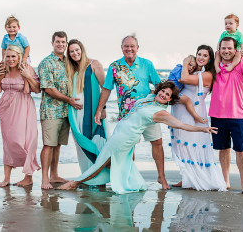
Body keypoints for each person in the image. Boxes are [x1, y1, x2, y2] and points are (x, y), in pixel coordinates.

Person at [58, 81, 218, 194]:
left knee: (103, 160)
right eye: (162, 91)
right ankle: (132, 183)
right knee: (114, 162)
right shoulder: (149, 98)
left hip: (126, 138)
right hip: (120, 133)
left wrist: (203, 129)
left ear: (170, 99)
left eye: (167, 94)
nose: (163, 94)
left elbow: (181, 125)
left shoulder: (161, 113)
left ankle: (74, 183)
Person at [93, 33, 170, 190]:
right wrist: (99, 110)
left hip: (148, 113)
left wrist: (161, 104)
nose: (129, 49)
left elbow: (159, 87)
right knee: (128, 148)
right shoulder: (114, 67)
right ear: (122, 48)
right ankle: (128, 178)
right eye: (126, 46)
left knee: (157, 143)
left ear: (137, 48)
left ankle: (161, 177)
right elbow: (106, 89)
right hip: (127, 115)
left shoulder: (147, 64)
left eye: (132, 46)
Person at [169, 45, 226, 191]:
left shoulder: (207, 75)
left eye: (205, 55)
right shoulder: (198, 72)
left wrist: (185, 61)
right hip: (181, 110)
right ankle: (187, 177)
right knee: (181, 144)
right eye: (199, 54)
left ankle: (195, 178)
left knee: (192, 143)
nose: (201, 57)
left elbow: (183, 78)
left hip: (193, 112)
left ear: (209, 59)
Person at [209, 37, 243, 194]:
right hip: (217, 114)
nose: (226, 51)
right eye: (223, 48)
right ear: (219, 49)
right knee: (223, 149)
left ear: (235, 49)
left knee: (241, 149)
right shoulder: (214, 66)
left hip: (238, 114)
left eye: (229, 48)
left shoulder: (242, 63)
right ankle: (225, 181)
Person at [38, 31, 83, 189]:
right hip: (51, 110)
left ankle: (54, 175)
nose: (61, 45)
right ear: (52, 43)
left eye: (63, 42)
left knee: (57, 145)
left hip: (66, 111)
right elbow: (48, 88)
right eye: (58, 42)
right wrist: (68, 100)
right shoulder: (46, 63)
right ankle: (44, 179)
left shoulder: (68, 62)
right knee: (48, 145)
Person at [0, 45, 41, 187]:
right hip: (6, 108)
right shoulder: (3, 69)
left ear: (19, 57)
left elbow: (37, 90)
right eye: (8, 56)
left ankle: (28, 177)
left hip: (24, 107)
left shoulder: (27, 69)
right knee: (8, 142)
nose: (10, 59)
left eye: (13, 56)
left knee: (24, 141)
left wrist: (28, 76)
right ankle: (6, 178)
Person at [65, 39, 109, 176]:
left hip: (93, 111)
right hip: (76, 112)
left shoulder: (94, 64)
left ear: (82, 49)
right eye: (71, 51)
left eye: (77, 50)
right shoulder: (71, 68)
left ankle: (100, 176)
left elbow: (105, 87)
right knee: (80, 143)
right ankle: (87, 175)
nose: (75, 53)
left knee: (97, 142)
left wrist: (103, 109)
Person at [168, 55, 209, 124]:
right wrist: (185, 63)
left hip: (174, 92)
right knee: (187, 100)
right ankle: (196, 117)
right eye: (190, 65)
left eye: (193, 68)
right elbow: (181, 80)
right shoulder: (179, 68)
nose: (191, 68)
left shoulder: (184, 72)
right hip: (170, 91)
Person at [1, 15, 31, 93]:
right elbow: (3, 49)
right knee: (2, 66)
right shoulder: (5, 38)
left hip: (23, 57)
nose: (12, 29)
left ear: (19, 28)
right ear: (5, 28)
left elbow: (27, 47)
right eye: (9, 27)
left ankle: (26, 84)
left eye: (14, 27)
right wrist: (3, 59)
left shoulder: (21, 37)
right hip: (12, 57)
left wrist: (24, 58)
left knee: (23, 67)